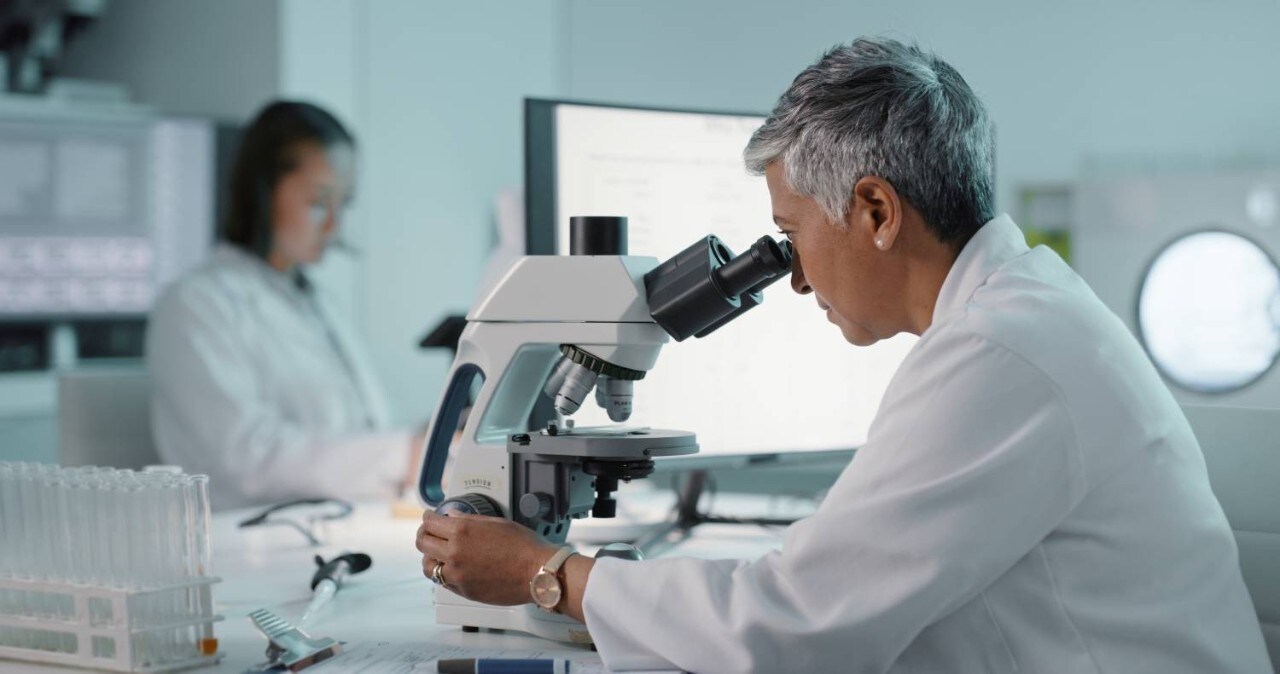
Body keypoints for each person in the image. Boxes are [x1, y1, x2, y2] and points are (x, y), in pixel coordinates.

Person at [415, 38, 1271, 672]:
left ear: (874, 209)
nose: (789, 278)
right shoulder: (1023, 311)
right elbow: (831, 590)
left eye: (789, 235)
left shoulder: (1003, 353)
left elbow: (793, 629)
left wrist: (546, 574)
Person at [148, 101, 420, 511]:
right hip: (246, 543)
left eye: (343, 204)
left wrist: (425, 440)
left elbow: (362, 425)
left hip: (337, 523)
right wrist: (400, 453)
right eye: (317, 202)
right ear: (261, 192)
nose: (334, 225)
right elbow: (249, 457)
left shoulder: (320, 303)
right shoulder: (196, 305)